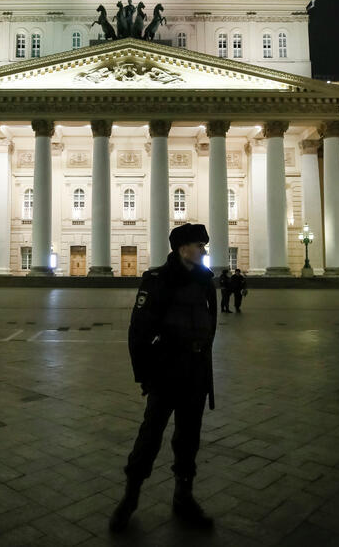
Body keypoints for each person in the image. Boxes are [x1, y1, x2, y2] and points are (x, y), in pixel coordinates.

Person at [110, 223, 217, 533]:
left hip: (196, 371)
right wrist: (144, 375)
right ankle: (129, 499)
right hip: (167, 369)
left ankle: (184, 496)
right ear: (183, 248)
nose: (204, 250)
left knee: (189, 437)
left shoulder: (205, 281)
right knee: (150, 435)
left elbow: (211, 322)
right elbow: (138, 332)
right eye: (200, 245)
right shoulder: (157, 281)